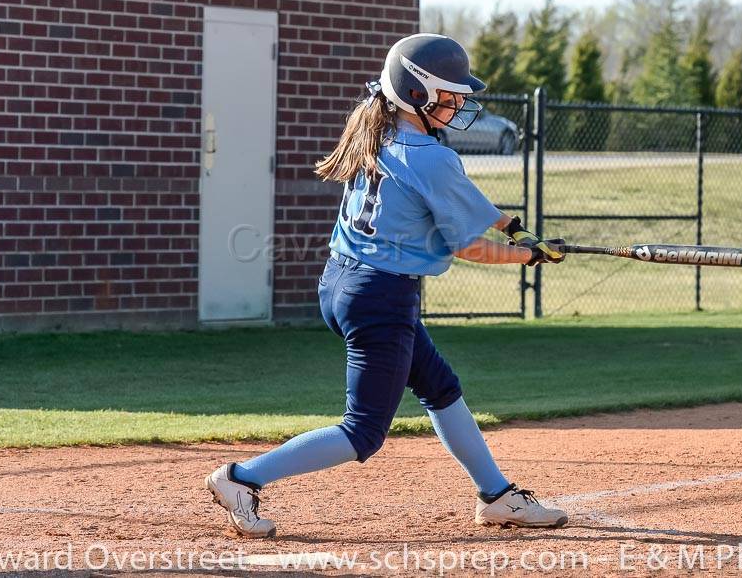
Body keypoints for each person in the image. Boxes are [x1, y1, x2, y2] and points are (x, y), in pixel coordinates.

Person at [205, 33, 568, 538]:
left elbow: (463, 198)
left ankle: (497, 495)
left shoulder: (379, 133)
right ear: (417, 94)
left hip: (341, 284)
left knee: (440, 389)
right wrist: (528, 255)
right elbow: (466, 244)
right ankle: (241, 478)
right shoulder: (432, 156)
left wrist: (513, 227)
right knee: (363, 432)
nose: (460, 103)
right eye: (450, 95)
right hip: (381, 297)